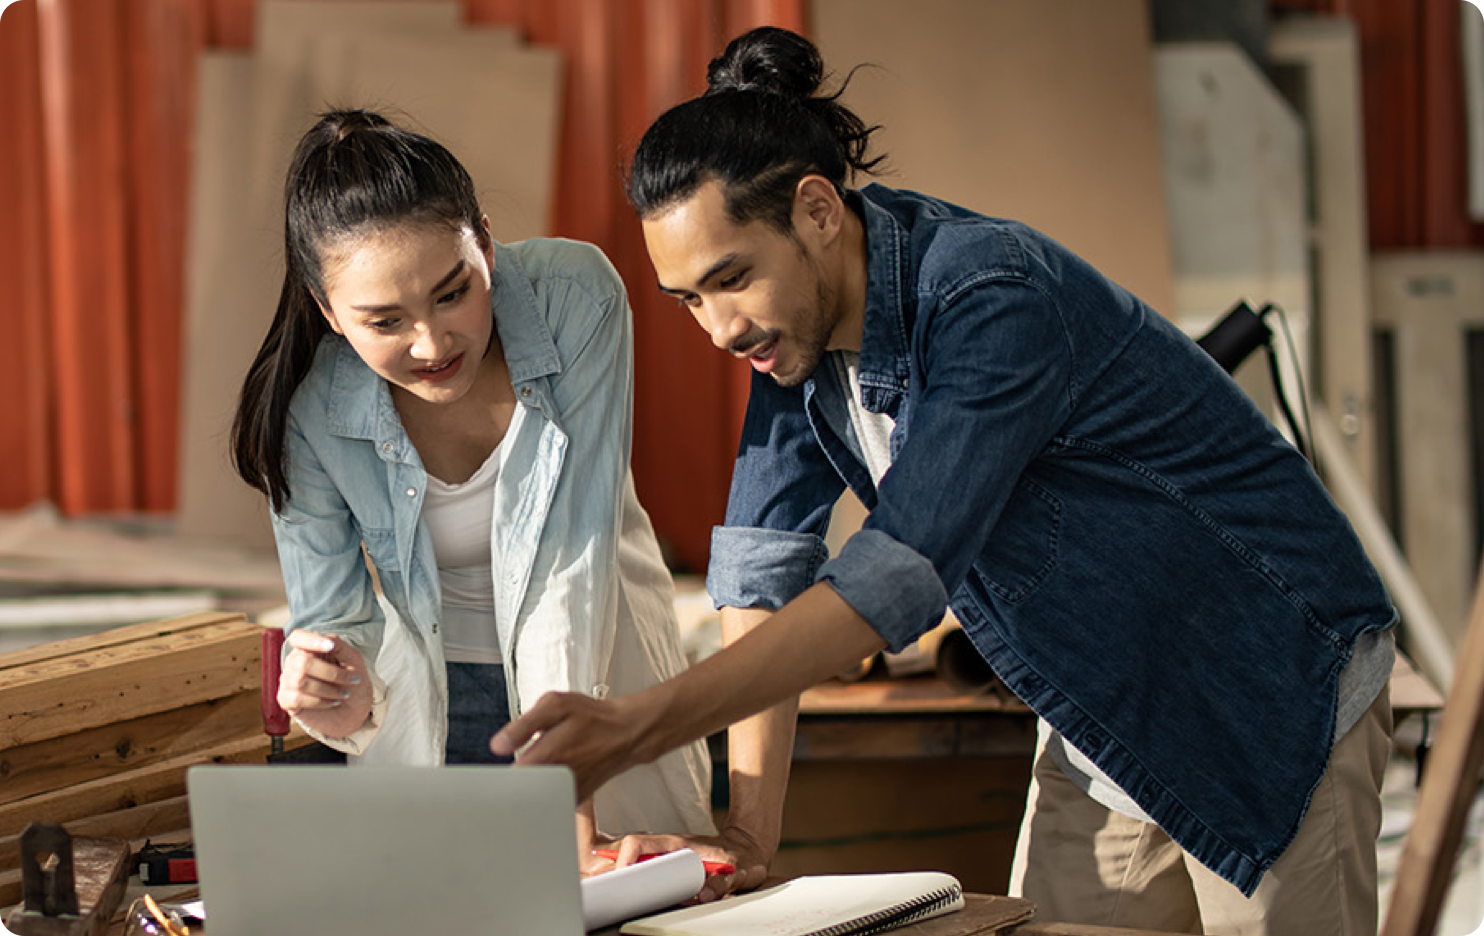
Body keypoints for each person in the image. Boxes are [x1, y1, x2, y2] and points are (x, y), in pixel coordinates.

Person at [491, 26, 1397, 935]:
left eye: (731, 279)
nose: (720, 330)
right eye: (689, 300)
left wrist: (640, 727)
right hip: (1106, 714)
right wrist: (751, 836)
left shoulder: (988, 296)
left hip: (1259, 689)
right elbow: (761, 572)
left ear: (815, 211)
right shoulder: (792, 343)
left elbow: (899, 574)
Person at [230, 110, 715, 868]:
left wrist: (567, 805)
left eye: (453, 294)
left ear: (485, 242)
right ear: (329, 314)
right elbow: (336, 626)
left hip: (593, 688)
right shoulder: (310, 408)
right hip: (429, 710)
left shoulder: (575, 299)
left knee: (631, 901)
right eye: (384, 321)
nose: (431, 344)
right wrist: (331, 692)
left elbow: (570, 565)